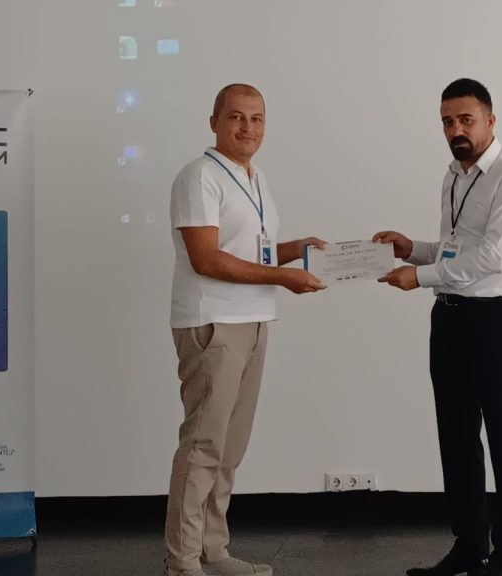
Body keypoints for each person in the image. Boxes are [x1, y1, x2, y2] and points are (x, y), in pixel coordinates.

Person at [375, 78, 502, 576]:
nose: (456, 130)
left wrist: (420, 276)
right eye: (447, 122)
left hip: (496, 319)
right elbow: (457, 250)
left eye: (466, 119)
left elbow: (494, 257)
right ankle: (470, 546)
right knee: (456, 437)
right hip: (450, 317)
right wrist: (414, 250)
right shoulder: (453, 175)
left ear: (490, 120)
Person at [165, 83, 325, 576]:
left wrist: (294, 250)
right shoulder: (199, 176)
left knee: (230, 447)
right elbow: (207, 259)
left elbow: (251, 251)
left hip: (252, 320)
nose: (247, 127)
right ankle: (182, 562)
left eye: (256, 118)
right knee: (203, 446)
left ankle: (212, 551)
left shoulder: (254, 178)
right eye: (236, 116)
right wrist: (282, 277)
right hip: (213, 322)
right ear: (214, 121)